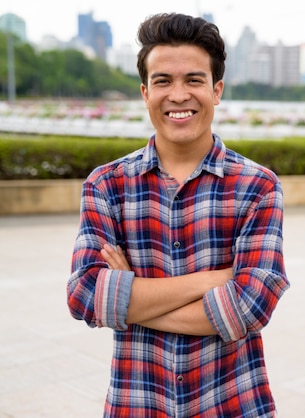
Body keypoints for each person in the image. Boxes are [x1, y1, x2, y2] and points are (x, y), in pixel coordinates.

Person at [66, 13, 290, 417]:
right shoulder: (107, 186)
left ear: (217, 90)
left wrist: (129, 298)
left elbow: (252, 306)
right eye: (163, 81)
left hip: (232, 402)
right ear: (145, 92)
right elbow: (84, 296)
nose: (178, 94)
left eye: (194, 80)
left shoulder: (257, 187)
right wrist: (212, 280)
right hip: (138, 402)